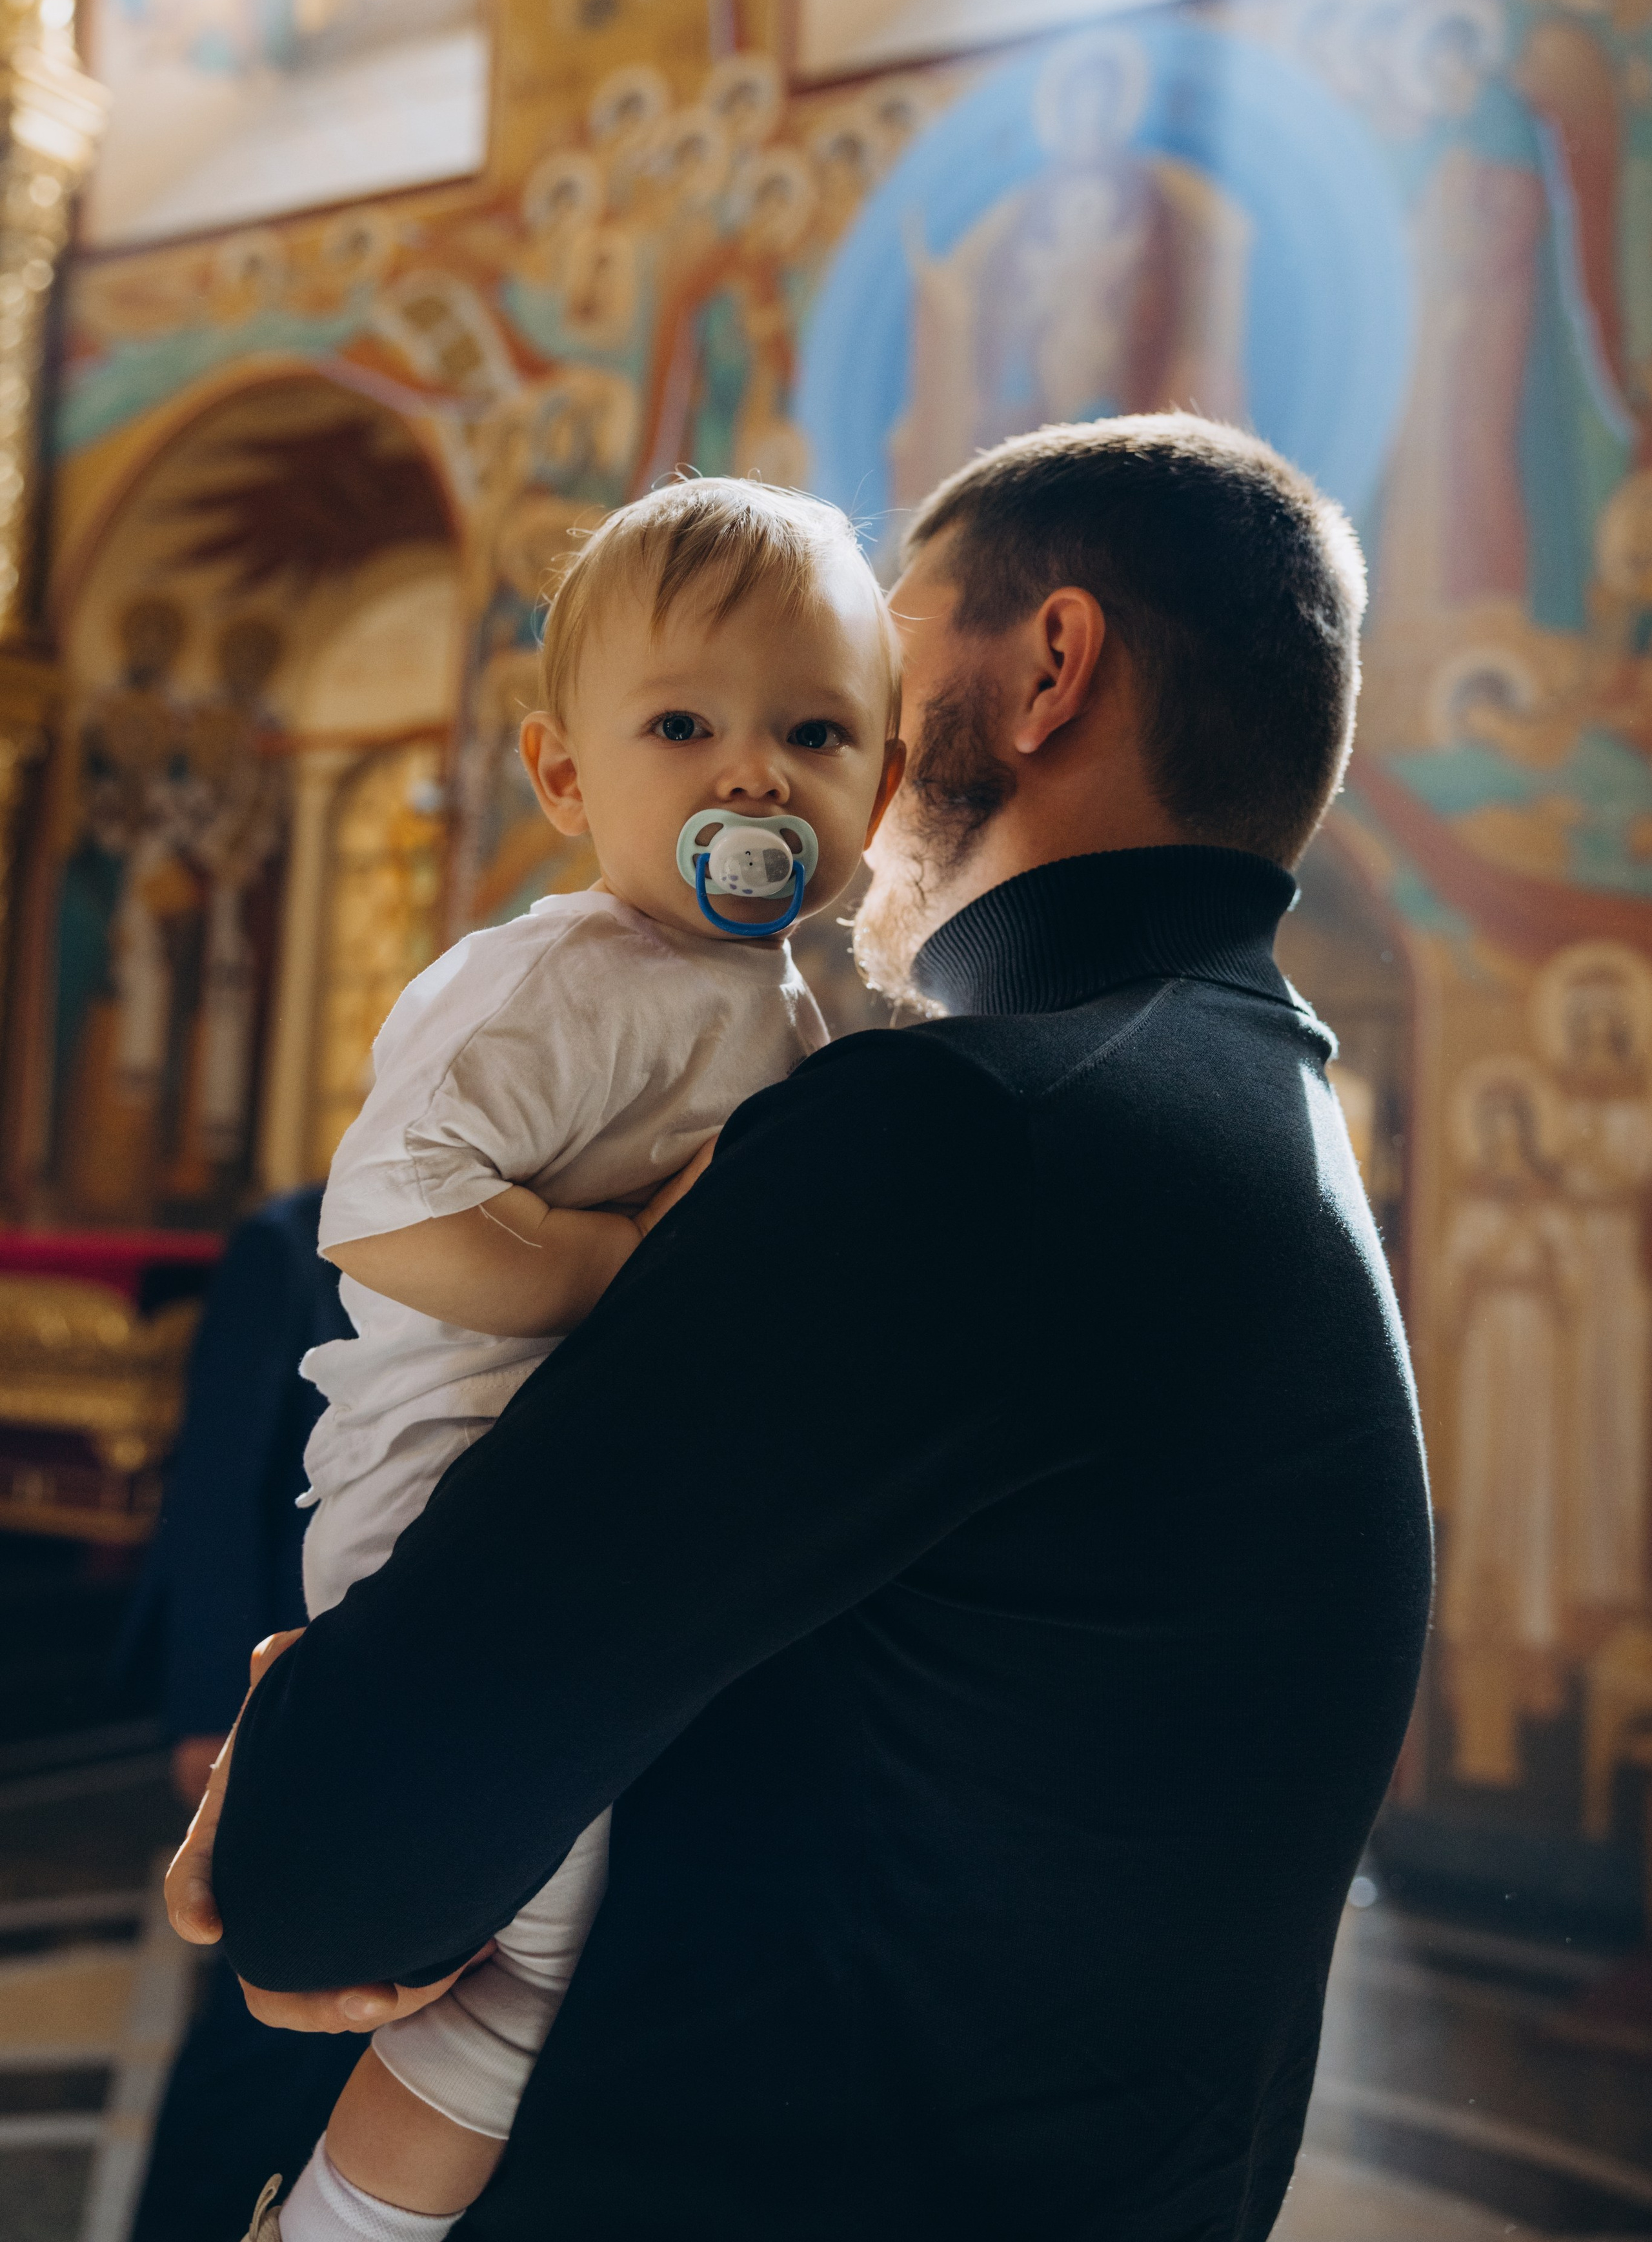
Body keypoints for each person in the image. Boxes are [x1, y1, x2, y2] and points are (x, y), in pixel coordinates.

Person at [174, 416, 1433, 2242]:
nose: (821, 715)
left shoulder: (976, 1135)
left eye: (874, 652)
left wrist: (315, 1754)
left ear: (1050, 668)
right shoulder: (1249, 1109)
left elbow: (324, 1875)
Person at [237, 476, 904, 2239]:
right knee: (529, 1950)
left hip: (592, 1516)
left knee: (588, 1932)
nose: (754, 775)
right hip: (442, 1497)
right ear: (562, 778)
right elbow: (385, 1216)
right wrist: (629, 1267)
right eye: (683, 725)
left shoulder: (785, 1008)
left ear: (882, 794)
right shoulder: (554, 985)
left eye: (815, 732)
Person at [119, 1188, 368, 2242]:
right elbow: (219, 1488)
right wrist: (207, 1713)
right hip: (277, 1698)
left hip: (386, 1698)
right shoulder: (286, 1240)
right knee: (255, 2031)